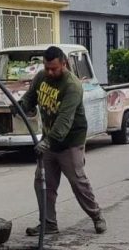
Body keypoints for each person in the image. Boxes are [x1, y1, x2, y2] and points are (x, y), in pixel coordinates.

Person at [17, 46, 106, 236]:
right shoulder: (42, 77)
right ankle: (48, 224)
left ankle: (96, 215)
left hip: (70, 141)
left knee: (78, 181)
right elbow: (30, 98)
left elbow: (64, 121)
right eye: (47, 67)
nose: (50, 72)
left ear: (64, 64)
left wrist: (47, 143)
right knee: (43, 183)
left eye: (54, 69)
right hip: (49, 138)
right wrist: (21, 106)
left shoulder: (72, 86)